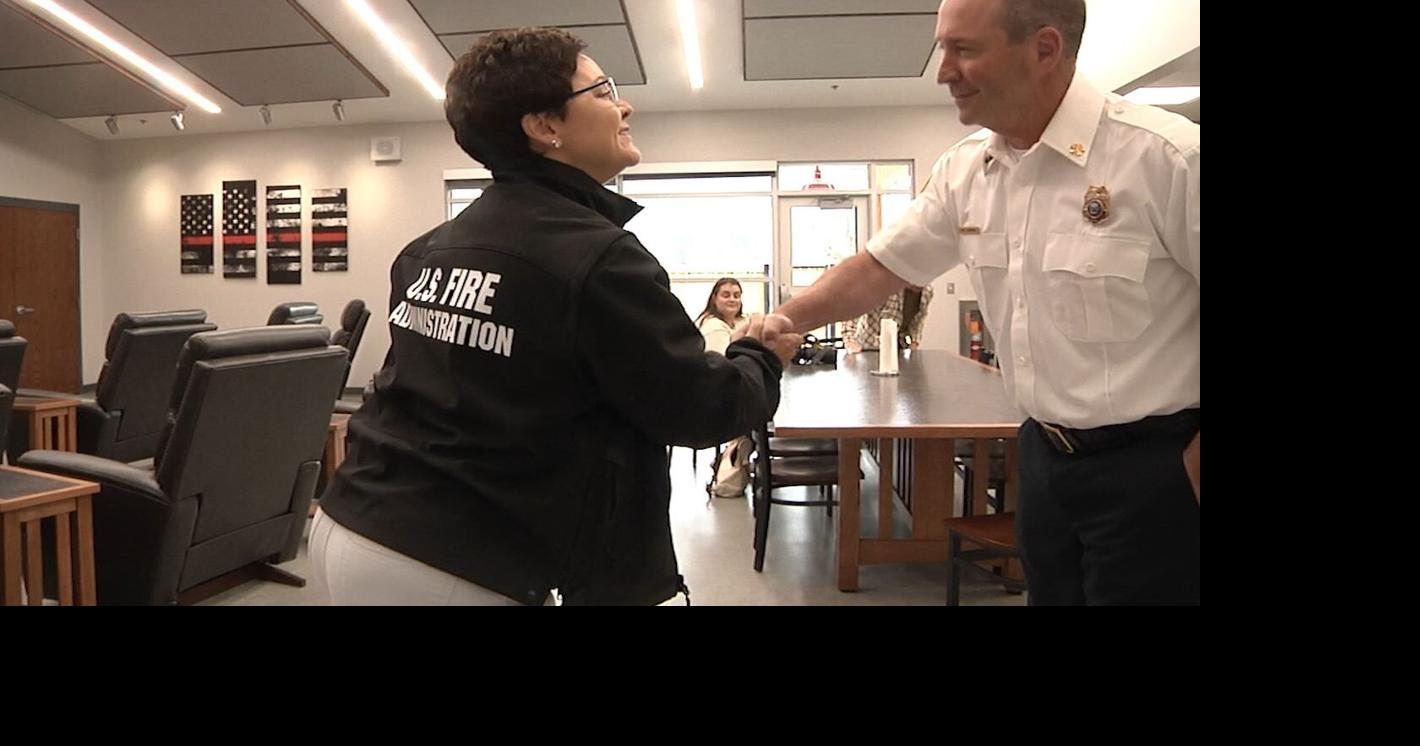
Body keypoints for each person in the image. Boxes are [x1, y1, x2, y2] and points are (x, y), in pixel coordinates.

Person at [313, 27, 800, 605]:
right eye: (601, 91)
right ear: (544, 127)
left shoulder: (428, 250)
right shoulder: (598, 257)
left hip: (351, 523)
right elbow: (699, 409)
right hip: (455, 566)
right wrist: (760, 357)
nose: (625, 104)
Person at [768, 0, 1199, 604]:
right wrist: (784, 319)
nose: (943, 70)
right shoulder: (968, 171)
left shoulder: (1166, 157)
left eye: (963, 49)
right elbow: (876, 268)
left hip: (1155, 469)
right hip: (1043, 460)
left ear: (1044, 49)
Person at [840, 284, 935, 352]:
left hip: (897, 347)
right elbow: (854, 306)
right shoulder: (884, 285)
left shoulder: (927, 291)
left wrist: (914, 342)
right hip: (869, 347)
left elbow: (919, 318)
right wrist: (850, 340)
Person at [695, 278, 746, 355]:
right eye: (726, 296)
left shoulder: (742, 322)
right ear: (714, 299)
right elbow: (722, 363)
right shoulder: (713, 326)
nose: (732, 299)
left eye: (736, 296)